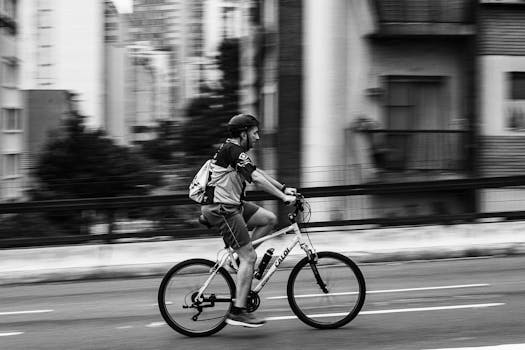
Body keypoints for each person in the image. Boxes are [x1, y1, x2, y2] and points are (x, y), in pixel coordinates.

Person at [201, 113, 297, 328]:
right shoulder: (233, 150)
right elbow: (255, 179)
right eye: (255, 133)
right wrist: (283, 198)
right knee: (250, 257)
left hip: (232, 205)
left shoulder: (237, 152)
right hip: (222, 209)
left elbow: (257, 173)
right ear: (243, 134)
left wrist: (282, 188)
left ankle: (239, 257)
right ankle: (238, 311)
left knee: (268, 219)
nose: (258, 137)